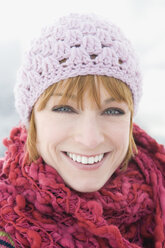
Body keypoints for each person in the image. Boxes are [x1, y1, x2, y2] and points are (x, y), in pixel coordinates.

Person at [0, 13, 164, 248]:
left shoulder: (158, 195)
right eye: (65, 108)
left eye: (112, 111)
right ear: (31, 120)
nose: (90, 139)